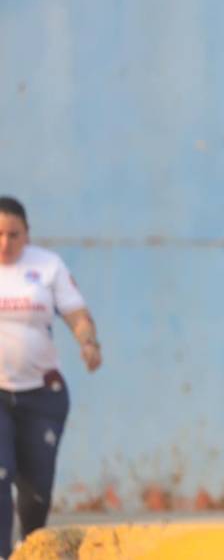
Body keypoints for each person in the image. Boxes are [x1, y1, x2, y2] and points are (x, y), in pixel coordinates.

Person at [0, 196, 101, 558]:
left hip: (42, 394)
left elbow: (76, 313)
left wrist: (88, 342)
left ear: (27, 234)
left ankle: (30, 548)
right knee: (0, 473)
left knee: (36, 489)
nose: (5, 243)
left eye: (14, 234)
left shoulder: (47, 266)